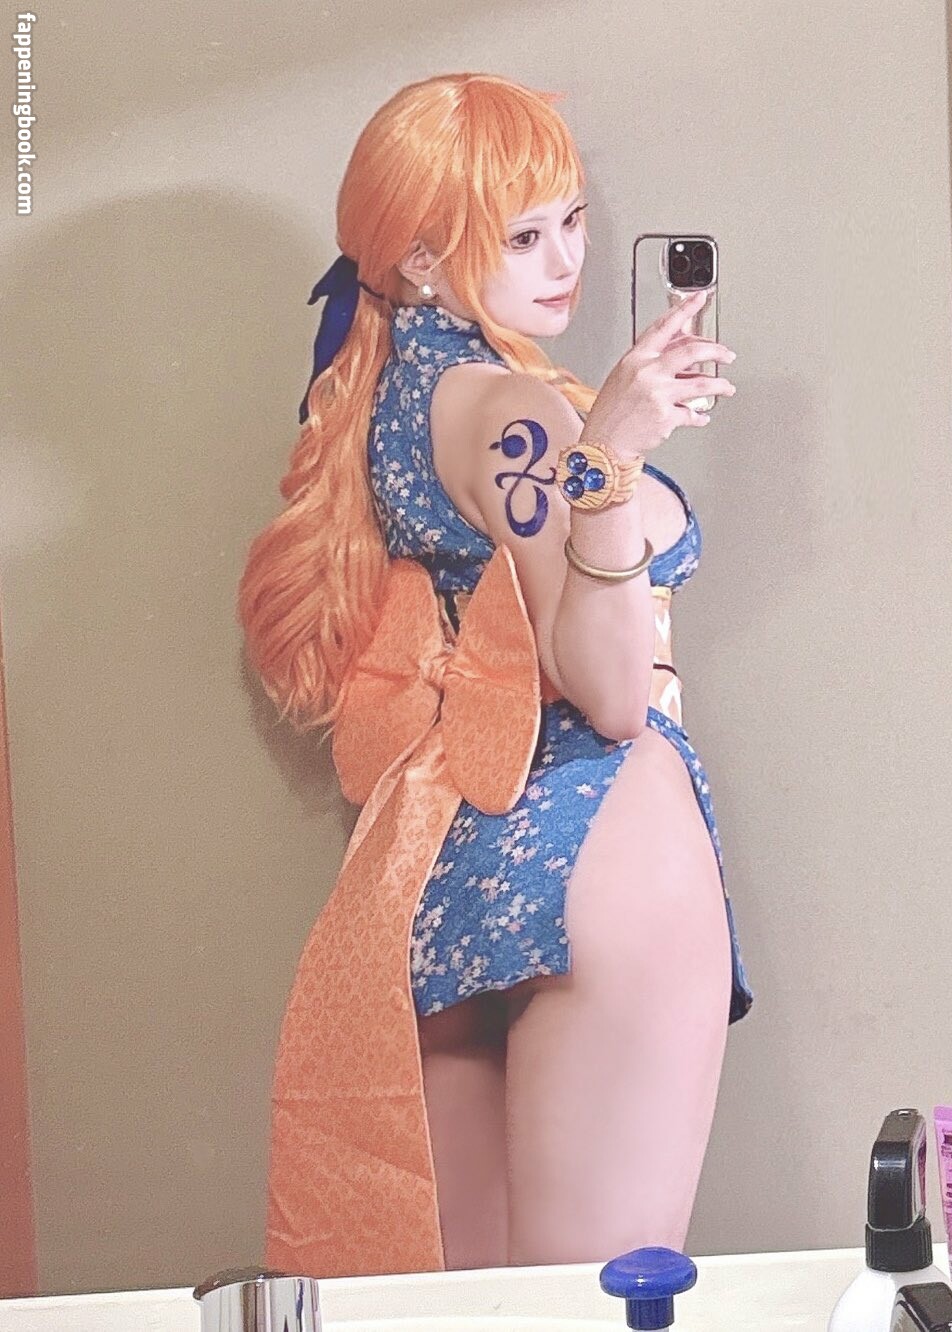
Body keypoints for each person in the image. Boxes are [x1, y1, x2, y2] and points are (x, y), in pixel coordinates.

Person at [238, 71, 753, 1280]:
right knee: (595, 1303)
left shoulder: (384, 396)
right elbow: (609, 694)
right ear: (420, 260)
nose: (566, 259)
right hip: (605, 839)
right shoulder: (515, 409)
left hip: (453, 864)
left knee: (466, 1309)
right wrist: (609, 458)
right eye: (522, 238)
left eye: (571, 220)